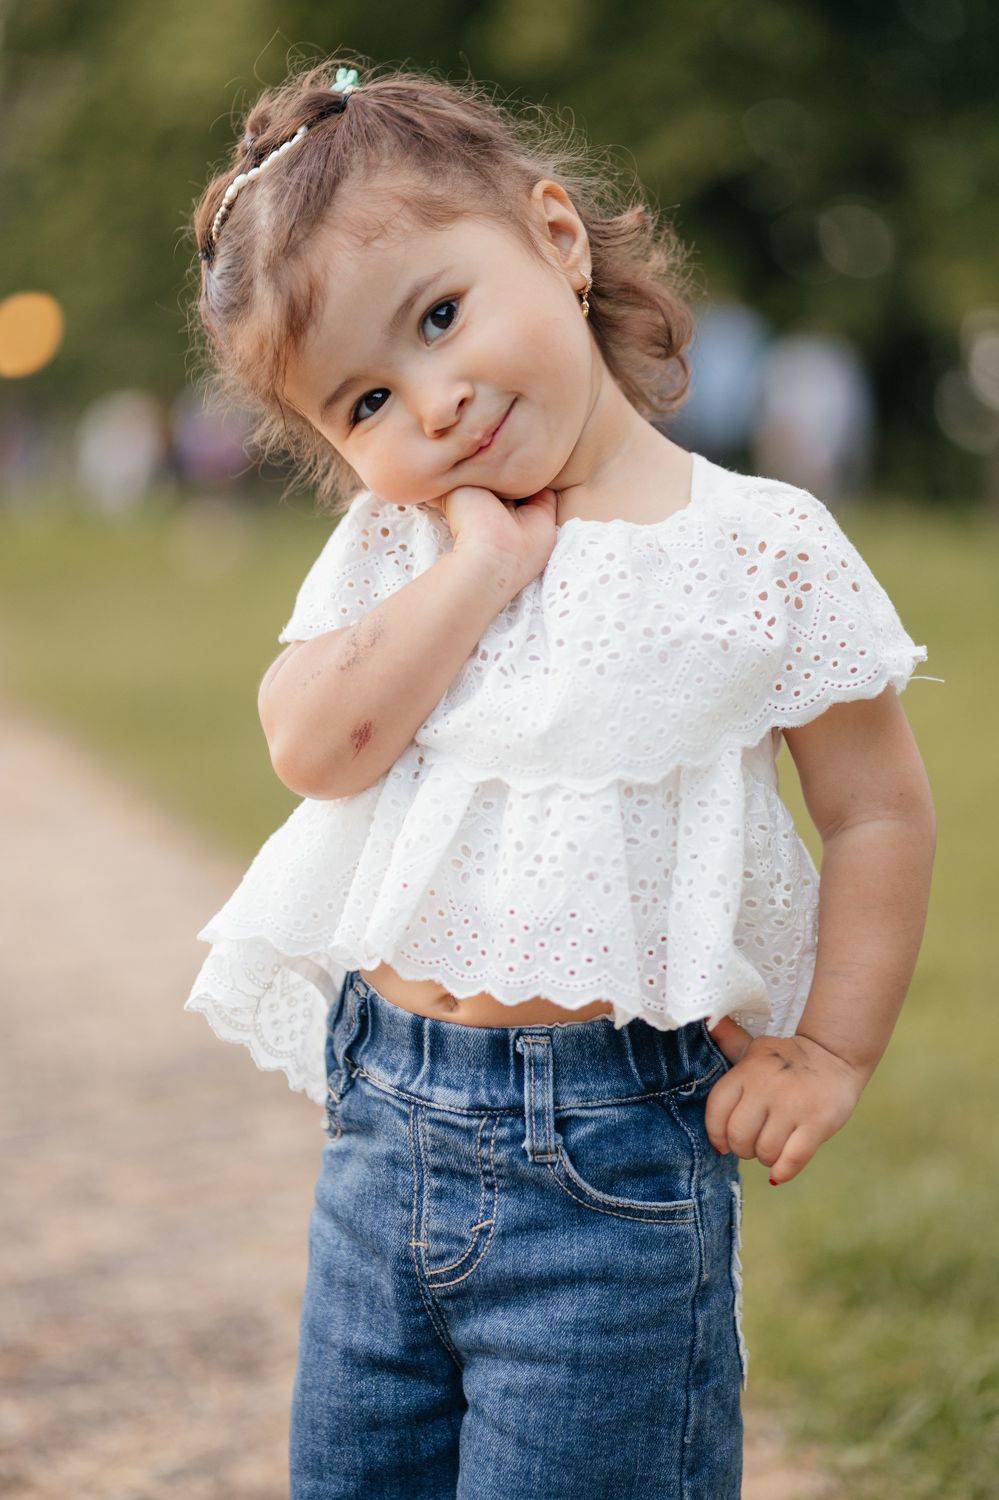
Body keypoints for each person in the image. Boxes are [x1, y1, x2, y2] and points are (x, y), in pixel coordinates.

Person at [182, 56, 939, 1499]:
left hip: (616, 1165)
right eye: (367, 401)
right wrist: (476, 570)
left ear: (555, 236)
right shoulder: (404, 548)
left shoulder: (757, 544)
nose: (436, 403)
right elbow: (312, 748)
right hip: (381, 1127)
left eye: (441, 316)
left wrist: (833, 1049)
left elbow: (875, 809)